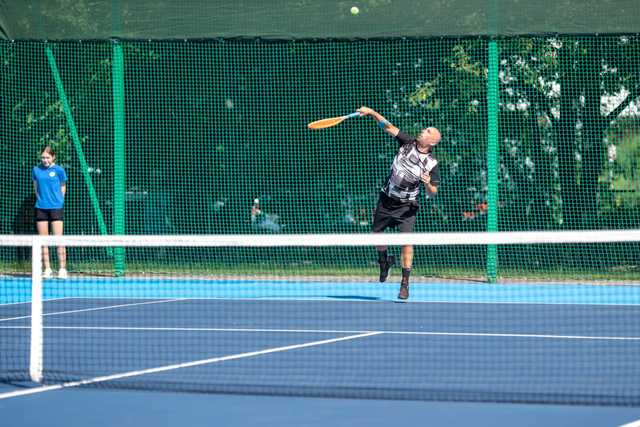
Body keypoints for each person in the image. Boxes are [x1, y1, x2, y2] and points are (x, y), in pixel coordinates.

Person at [357, 106, 441, 300]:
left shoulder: (432, 163)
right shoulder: (407, 142)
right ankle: (384, 262)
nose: (423, 130)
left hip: (407, 207)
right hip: (386, 199)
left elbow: (434, 192)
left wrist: (428, 184)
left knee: (406, 242)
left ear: (432, 141)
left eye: (427, 131)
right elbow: (387, 127)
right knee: (376, 236)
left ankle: (405, 283)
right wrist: (371, 112)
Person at [32, 146, 68, 279]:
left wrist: (58, 201)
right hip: (41, 207)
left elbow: (63, 187)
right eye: (43, 157)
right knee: (43, 241)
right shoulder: (36, 170)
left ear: (53, 157)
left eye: (47, 157)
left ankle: (62, 269)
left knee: (59, 239)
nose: (45, 160)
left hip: (56, 208)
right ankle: (47, 269)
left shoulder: (59, 170)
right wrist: (41, 200)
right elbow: (36, 187)